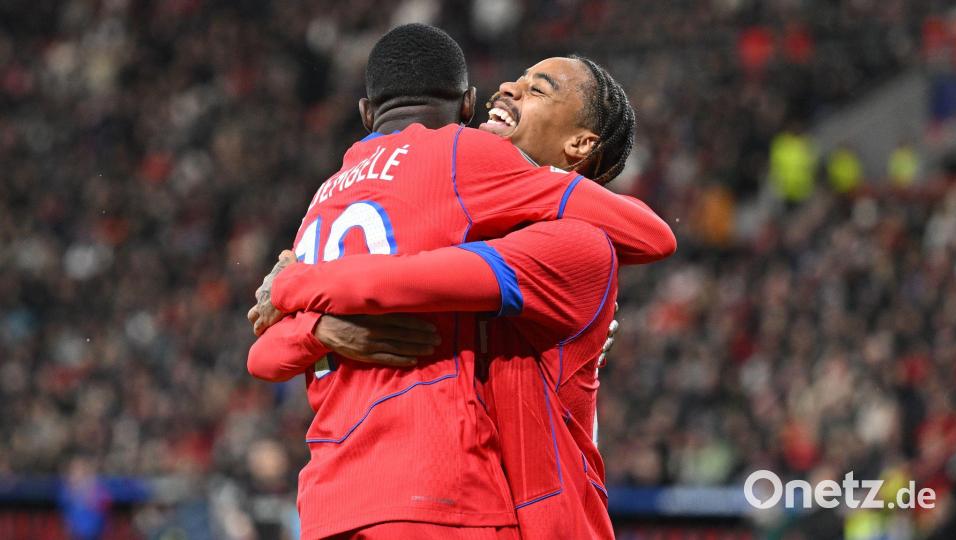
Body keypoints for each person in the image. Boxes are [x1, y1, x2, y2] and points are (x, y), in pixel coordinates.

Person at [247, 24, 674, 539]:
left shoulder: (575, 246)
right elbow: (267, 353)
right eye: (516, 80)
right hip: (452, 504)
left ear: (580, 144)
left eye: (537, 89)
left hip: (529, 520)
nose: (509, 89)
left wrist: (295, 286)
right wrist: (321, 328)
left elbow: (407, 279)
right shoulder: (464, 216)